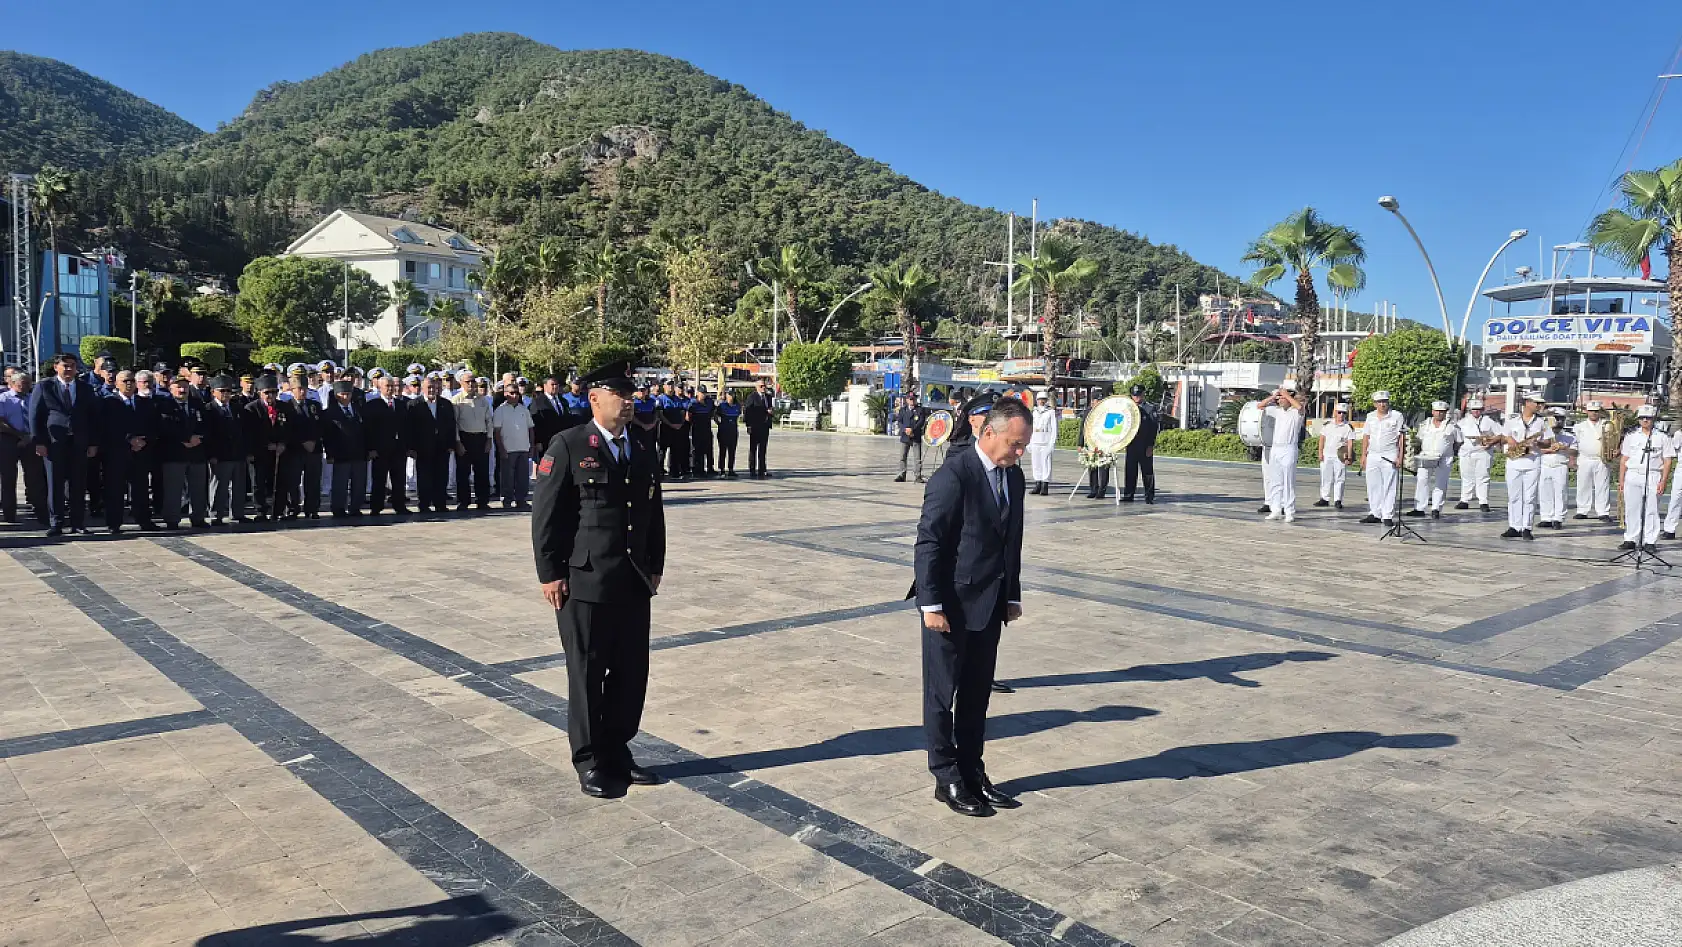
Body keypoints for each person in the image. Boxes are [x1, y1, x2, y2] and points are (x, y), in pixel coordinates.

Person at [531, 361, 666, 799]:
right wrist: (550, 573)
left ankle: (617, 748)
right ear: (594, 399)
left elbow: (653, 510)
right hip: (584, 580)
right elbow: (546, 515)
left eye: (631, 394)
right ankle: (589, 759)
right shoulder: (569, 444)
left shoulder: (641, 445)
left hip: (632, 579)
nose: (628, 401)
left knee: (631, 672)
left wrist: (656, 564)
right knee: (587, 672)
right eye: (619, 395)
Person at [909, 396, 1030, 818]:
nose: (1020, 453)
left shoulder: (1013, 477)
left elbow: (1011, 541)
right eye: (1015, 444)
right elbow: (929, 543)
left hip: (990, 603)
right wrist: (930, 604)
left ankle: (972, 770)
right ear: (989, 433)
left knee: (977, 695)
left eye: (1024, 445)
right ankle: (946, 776)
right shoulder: (953, 475)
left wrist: (1011, 595)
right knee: (941, 695)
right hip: (949, 605)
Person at [30, 354, 100, 536]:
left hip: (79, 442)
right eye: (65, 365)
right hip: (54, 442)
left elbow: (93, 417)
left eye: (72, 366)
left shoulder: (85, 388)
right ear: (56, 367)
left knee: (78, 483)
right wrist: (38, 441)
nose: (69, 369)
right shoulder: (44, 386)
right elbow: (35, 415)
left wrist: (93, 443)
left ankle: (78, 522)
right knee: (55, 483)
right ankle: (56, 522)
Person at [156, 375, 210, 529]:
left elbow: (207, 424)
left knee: (198, 488)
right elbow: (165, 427)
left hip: (197, 452)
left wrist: (199, 437)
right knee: (173, 489)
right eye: (178, 386)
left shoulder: (197, 404)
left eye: (185, 386)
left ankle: (198, 517)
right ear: (171, 388)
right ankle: (172, 519)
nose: (182, 390)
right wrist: (185, 438)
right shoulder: (164, 405)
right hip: (175, 453)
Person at [1501, 392, 1552, 541]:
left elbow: (1548, 442)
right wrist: (1510, 440)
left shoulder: (1541, 422)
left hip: (1532, 461)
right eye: (1537, 403)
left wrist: (1538, 443)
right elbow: (1504, 435)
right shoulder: (1512, 420)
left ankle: (1527, 527)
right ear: (1528, 402)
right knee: (1514, 496)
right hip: (1514, 461)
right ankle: (1514, 526)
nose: (1539, 406)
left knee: (1530, 497)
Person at [405, 375, 459, 513]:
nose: (431, 390)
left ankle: (440, 503)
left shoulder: (446, 404)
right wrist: (411, 448)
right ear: (422, 388)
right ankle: (424, 504)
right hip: (423, 448)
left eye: (434, 387)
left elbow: (451, 425)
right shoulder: (414, 405)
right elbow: (409, 428)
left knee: (441, 476)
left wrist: (451, 445)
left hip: (442, 447)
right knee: (424, 477)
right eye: (429, 387)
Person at [1620, 405, 1669, 551]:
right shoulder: (1631, 436)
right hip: (1633, 473)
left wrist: (1663, 480)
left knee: (1651, 509)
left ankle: (1650, 540)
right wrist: (1621, 480)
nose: (1645, 420)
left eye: (1648, 418)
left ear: (1653, 419)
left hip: (1653, 474)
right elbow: (1624, 459)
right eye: (1642, 418)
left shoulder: (1662, 437)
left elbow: (1667, 460)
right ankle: (1630, 538)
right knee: (1631, 508)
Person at [1, 370, 47, 525]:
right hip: (9, 440)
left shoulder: (32, 398)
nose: (27, 386)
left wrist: (30, 436)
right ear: (13, 383)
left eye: (29, 383)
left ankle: (40, 511)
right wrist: (19, 435)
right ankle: (9, 513)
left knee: (35, 477)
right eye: (23, 383)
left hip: (30, 440)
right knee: (8, 478)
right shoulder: (3, 399)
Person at [243, 376, 290, 522]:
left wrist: (283, 443)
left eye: (274, 392)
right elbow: (249, 433)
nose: (270, 396)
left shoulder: (284, 407)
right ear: (260, 393)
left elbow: (290, 429)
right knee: (259, 483)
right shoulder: (251, 408)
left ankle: (278, 510)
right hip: (259, 452)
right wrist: (265, 445)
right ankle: (260, 511)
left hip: (279, 453)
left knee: (279, 482)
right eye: (267, 392)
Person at [1357, 390, 1407, 527]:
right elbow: (1366, 436)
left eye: (1384, 401)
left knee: (1389, 485)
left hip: (1389, 453)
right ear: (1375, 404)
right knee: (1373, 485)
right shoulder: (1370, 416)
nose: (1382, 404)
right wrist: (1363, 455)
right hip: (1373, 454)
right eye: (1379, 402)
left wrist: (1400, 456)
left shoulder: (1396, 416)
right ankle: (1375, 513)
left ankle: (1387, 515)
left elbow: (1401, 438)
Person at [204, 376, 248, 526]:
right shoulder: (209, 409)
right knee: (219, 486)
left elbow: (244, 430)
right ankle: (216, 514)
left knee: (238, 486)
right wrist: (211, 454)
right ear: (213, 392)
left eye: (228, 391)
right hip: (220, 454)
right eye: (222, 391)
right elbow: (208, 434)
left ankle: (238, 513)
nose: (226, 394)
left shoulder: (237, 408)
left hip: (237, 453)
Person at [323, 380, 370, 517]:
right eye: (342, 394)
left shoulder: (358, 409)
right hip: (341, 453)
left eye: (348, 394)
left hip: (359, 452)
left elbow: (366, 431)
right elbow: (328, 436)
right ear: (336, 395)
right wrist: (330, 453)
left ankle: (355, 507)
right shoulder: (330, 413)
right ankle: (338, 508)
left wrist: (368, 450)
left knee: (359, 482)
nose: (345, 397)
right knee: (340, 483)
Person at [1256, 383, 1302, 522]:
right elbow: (1260, 406)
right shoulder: (1277, 411)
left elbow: (1300, 407)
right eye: (1280, 398)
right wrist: (1273, 396)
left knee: (1288, 481)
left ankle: (1289, 511)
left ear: (1289, 398)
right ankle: (1275, 509)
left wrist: (1286, 394)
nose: (1280, 400)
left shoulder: (1296, 412)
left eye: (1282, 398)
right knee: (1275, 481)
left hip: (1289, 448)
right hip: (1276, 448)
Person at [365, 376, 409, 516]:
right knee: (379, 479)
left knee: (399, 479)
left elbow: (407, 427)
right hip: (380, 449)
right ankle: (376, 507)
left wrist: (407, 446)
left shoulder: (401, 404)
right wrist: (371, 448)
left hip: (398, 448)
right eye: (387, 386)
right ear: (380, 387)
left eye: (392, 386)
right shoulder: (373, 405)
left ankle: (399, 505)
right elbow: (368, 429)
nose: (390, 389)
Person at [1408, 401, 1458, 519]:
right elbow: (1419, 439)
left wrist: (1451, 453)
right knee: (1422, 480)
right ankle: (1419, 508)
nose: (1439, 413)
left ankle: (1436, 508)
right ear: (1432, 412)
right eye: (1437, 411)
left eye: (1442, 412)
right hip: (1426, 456)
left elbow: (1459, 441)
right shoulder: (1425, 424)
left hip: (1444, 458)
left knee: (1440, 483)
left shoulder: (1452, 426)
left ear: (1445, 413)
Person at [285, 371, 325, 520]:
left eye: (304, 389)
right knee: (293, 481)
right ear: (292, 390)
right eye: (299, 389)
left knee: (313, 481)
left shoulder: (314, 406)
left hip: (313, 450)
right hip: (294, 450)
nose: (302, 392)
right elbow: (287, 429)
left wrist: (313, 441)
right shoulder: (287, 407)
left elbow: (321, 426)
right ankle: (293, 508)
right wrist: (302, 441)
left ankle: (312, 508)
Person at [451, 372, 493, 512]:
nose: (471, 384)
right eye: (467, 382)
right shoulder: (456, 400)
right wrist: (458, 442)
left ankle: (483, 501)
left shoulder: (483, 400)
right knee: (463, 473)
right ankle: (463, 501)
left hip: (481, 438)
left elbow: (489, 421)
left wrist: (489, 439)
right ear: (461, 383)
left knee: (482, 471)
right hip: (465, 438)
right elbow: (454, 423)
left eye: (473, 381)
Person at [493, 383, 536, 509]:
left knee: (522, 477)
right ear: (505, 394)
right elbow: (497, 431)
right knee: (507, 477)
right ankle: (507, 500)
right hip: (508, 448)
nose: (515, 395)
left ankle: (521, 500)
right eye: (512, 393)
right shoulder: (500, 410)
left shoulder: (524, 409)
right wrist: (501, 448)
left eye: (517, 393)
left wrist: (531, 446)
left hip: (523, 447)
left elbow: (530, 428)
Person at [1454, 399, 1502, 512]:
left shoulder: (1489, 421)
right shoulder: (1463, 422)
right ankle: (1464, 500)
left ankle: (1483, 501)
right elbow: (1457, 437)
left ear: (1482, 410)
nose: (1476, 411)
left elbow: (1500, 434)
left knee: (1483, 476)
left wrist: (1491, 443)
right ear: (1470, 410)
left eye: (1479, 409)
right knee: (1466, 476)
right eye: (1474, 409)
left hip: (1483, 452)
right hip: (1467, 452)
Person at [1536, 407, 1575, 530]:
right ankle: (1546, 517)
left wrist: (1564, 448)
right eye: (1556, 419)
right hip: (1545, 464)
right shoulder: (1543, 436)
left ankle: (1558, 518)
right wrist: (1549, 450)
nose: (1558, 422)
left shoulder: (1569, 436)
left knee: (1561, 492)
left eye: (1561, 419)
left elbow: (1575, 452)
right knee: (1544, 492)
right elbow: (1537, 449)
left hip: (1560, 465)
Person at [1575, 401, 1614, 524]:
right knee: (1583, 485)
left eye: (1596, 411)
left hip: (1601, 459)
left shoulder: (1607, 425)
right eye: (1591, 411)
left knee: (1603, 486)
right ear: (1587, 411)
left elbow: (1613, 440)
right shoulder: (1579, 426)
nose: (1594, 413)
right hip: (1585, 458)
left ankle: (1603, 511)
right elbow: (1575, 443)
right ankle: (1582, 510)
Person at [1121, 385, 1160, 504]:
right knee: (1130, 471)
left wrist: (1150, 445)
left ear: (1143, 395)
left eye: (1138, 395)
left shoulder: (1149, 408)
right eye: (1134, 395)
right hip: (1132, 445)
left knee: (1147, 472)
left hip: (1145, 445)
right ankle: (1128, 495)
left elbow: (1154, 428)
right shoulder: (1128, 408)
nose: (1136, 397)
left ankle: (1149, 496)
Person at [1315, 403, 1354, 510]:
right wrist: (1320, 453)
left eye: (1344, 413)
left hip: (1340, 456)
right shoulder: (1327, 424)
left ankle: (1338, 500)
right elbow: (1322, 439)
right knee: (1325, 477)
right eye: (1339, 412)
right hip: (1327, 454)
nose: (1341, 415)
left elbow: (1350, 443)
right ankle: (1324, 498)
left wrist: (1349, 457)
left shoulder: (1348, 427)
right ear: (1335, 413)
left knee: (1340, 478)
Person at [657, 383, 691, 480]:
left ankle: (674, 471)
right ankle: (659, 471)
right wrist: (671, 424)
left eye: (672, 385)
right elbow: (660, 414)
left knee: (675, 450)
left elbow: (683, 412)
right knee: (662, 451)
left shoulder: (677, 399)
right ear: (664, 386)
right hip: (665, 428)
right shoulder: (661, 399)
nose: (670, 387)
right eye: (668, 385)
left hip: (677, 428)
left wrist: (681, 423)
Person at [744, 379, 775, 478]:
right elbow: (747, 412)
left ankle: (762, 469)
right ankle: (752, 470)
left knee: (763, 449)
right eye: (761, 386)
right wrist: (748, 425)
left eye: (764, 386)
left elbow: (770, 409)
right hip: (755, 426)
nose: (763, 388)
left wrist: (771, 412)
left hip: (765, 426)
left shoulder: (768, 397)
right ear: (756, 387)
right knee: (753, 449)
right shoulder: (752, 397)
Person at [896, 393, 929, 484]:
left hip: (915, 436)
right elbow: (899, 421)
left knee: (917, 458)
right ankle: (902, 474)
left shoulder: (920, 410)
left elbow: (921, 421)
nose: (912, 401)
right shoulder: (903, 410)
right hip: (905, 436)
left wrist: (912, 430)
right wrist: (905, 429)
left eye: (913, 399)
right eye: (910, 399)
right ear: (907, 400)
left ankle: (918, 476)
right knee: (902, 457)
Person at [1026, 394, 1056, 494]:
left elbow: (1054, 428)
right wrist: (1029, 442)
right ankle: (1037, 484)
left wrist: (1052, 443)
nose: (1041, 401)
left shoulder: (1050, 412)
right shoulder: (1033, 412)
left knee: (1046, 463)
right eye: (1039, 399)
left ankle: (1045, 485)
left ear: (1046, 400)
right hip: (1035, 440)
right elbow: (1030, 427)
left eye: (1043, 399)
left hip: (1046, 441)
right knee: (1036, 464)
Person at [689, 387, 716, 477]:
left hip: (707, 429)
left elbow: (713, 412)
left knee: (709, 449)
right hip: (697, 429)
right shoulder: (693, 403)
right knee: (697, 450)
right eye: (702, 393)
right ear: (698, 393)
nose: (703, 394)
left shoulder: (709, 402)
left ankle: (710, 468)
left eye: (705, 393)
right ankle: (697, 469)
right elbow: (688, 417)